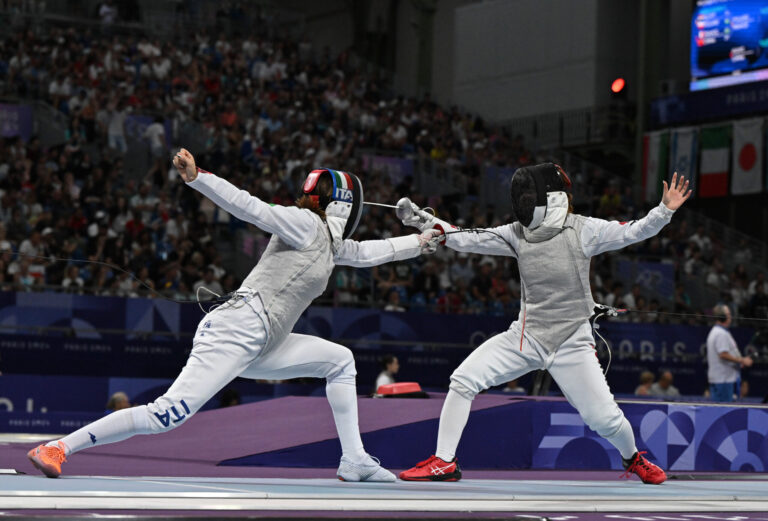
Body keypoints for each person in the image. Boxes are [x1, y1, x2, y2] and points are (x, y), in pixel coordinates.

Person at [27, 148, 442, 482]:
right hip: (237, 329)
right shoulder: (304, 224)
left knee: (340, 361)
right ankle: (59, 447)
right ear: (346, 204)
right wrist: (199, 177)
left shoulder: (332, 246)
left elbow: (374, 252)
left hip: (266, 341)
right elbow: (251, 208)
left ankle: (353, 460)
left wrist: (423, 240)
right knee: (167, 414)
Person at [396, 165, 692, 485]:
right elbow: (468, 238)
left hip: (571, 342)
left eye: (529, 195)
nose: (523, 202)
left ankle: (633, 457)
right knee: (463, 379)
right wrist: (425, 221)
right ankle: (444, 461)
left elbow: (632, 231)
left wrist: (663, 211)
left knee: (603, 419)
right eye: (521, 196)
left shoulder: (583, 229)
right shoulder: (516, 232)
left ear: (551, 199)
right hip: (526, 336)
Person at [706, 304, 752, 402]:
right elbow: (723, 354)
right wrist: (741, 360)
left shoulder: (720, 332)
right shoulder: (720, 333)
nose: (730, 317)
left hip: (722, 379)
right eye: (728, 314)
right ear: (722, 317)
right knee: (723, 413)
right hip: (723, 380)